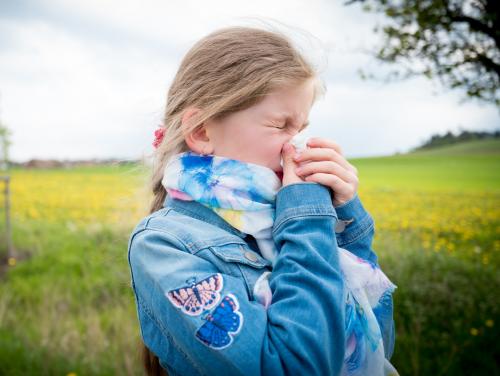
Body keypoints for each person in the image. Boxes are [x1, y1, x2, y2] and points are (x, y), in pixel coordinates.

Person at [127, 25, 399, 376]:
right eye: (281, 125)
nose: (297, 145)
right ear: (201, 132)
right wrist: (305, 215)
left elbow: (374, 342)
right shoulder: (164, 245)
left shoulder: (282, 211)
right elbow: (299, 367)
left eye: (301, 129)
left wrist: (347, 224)